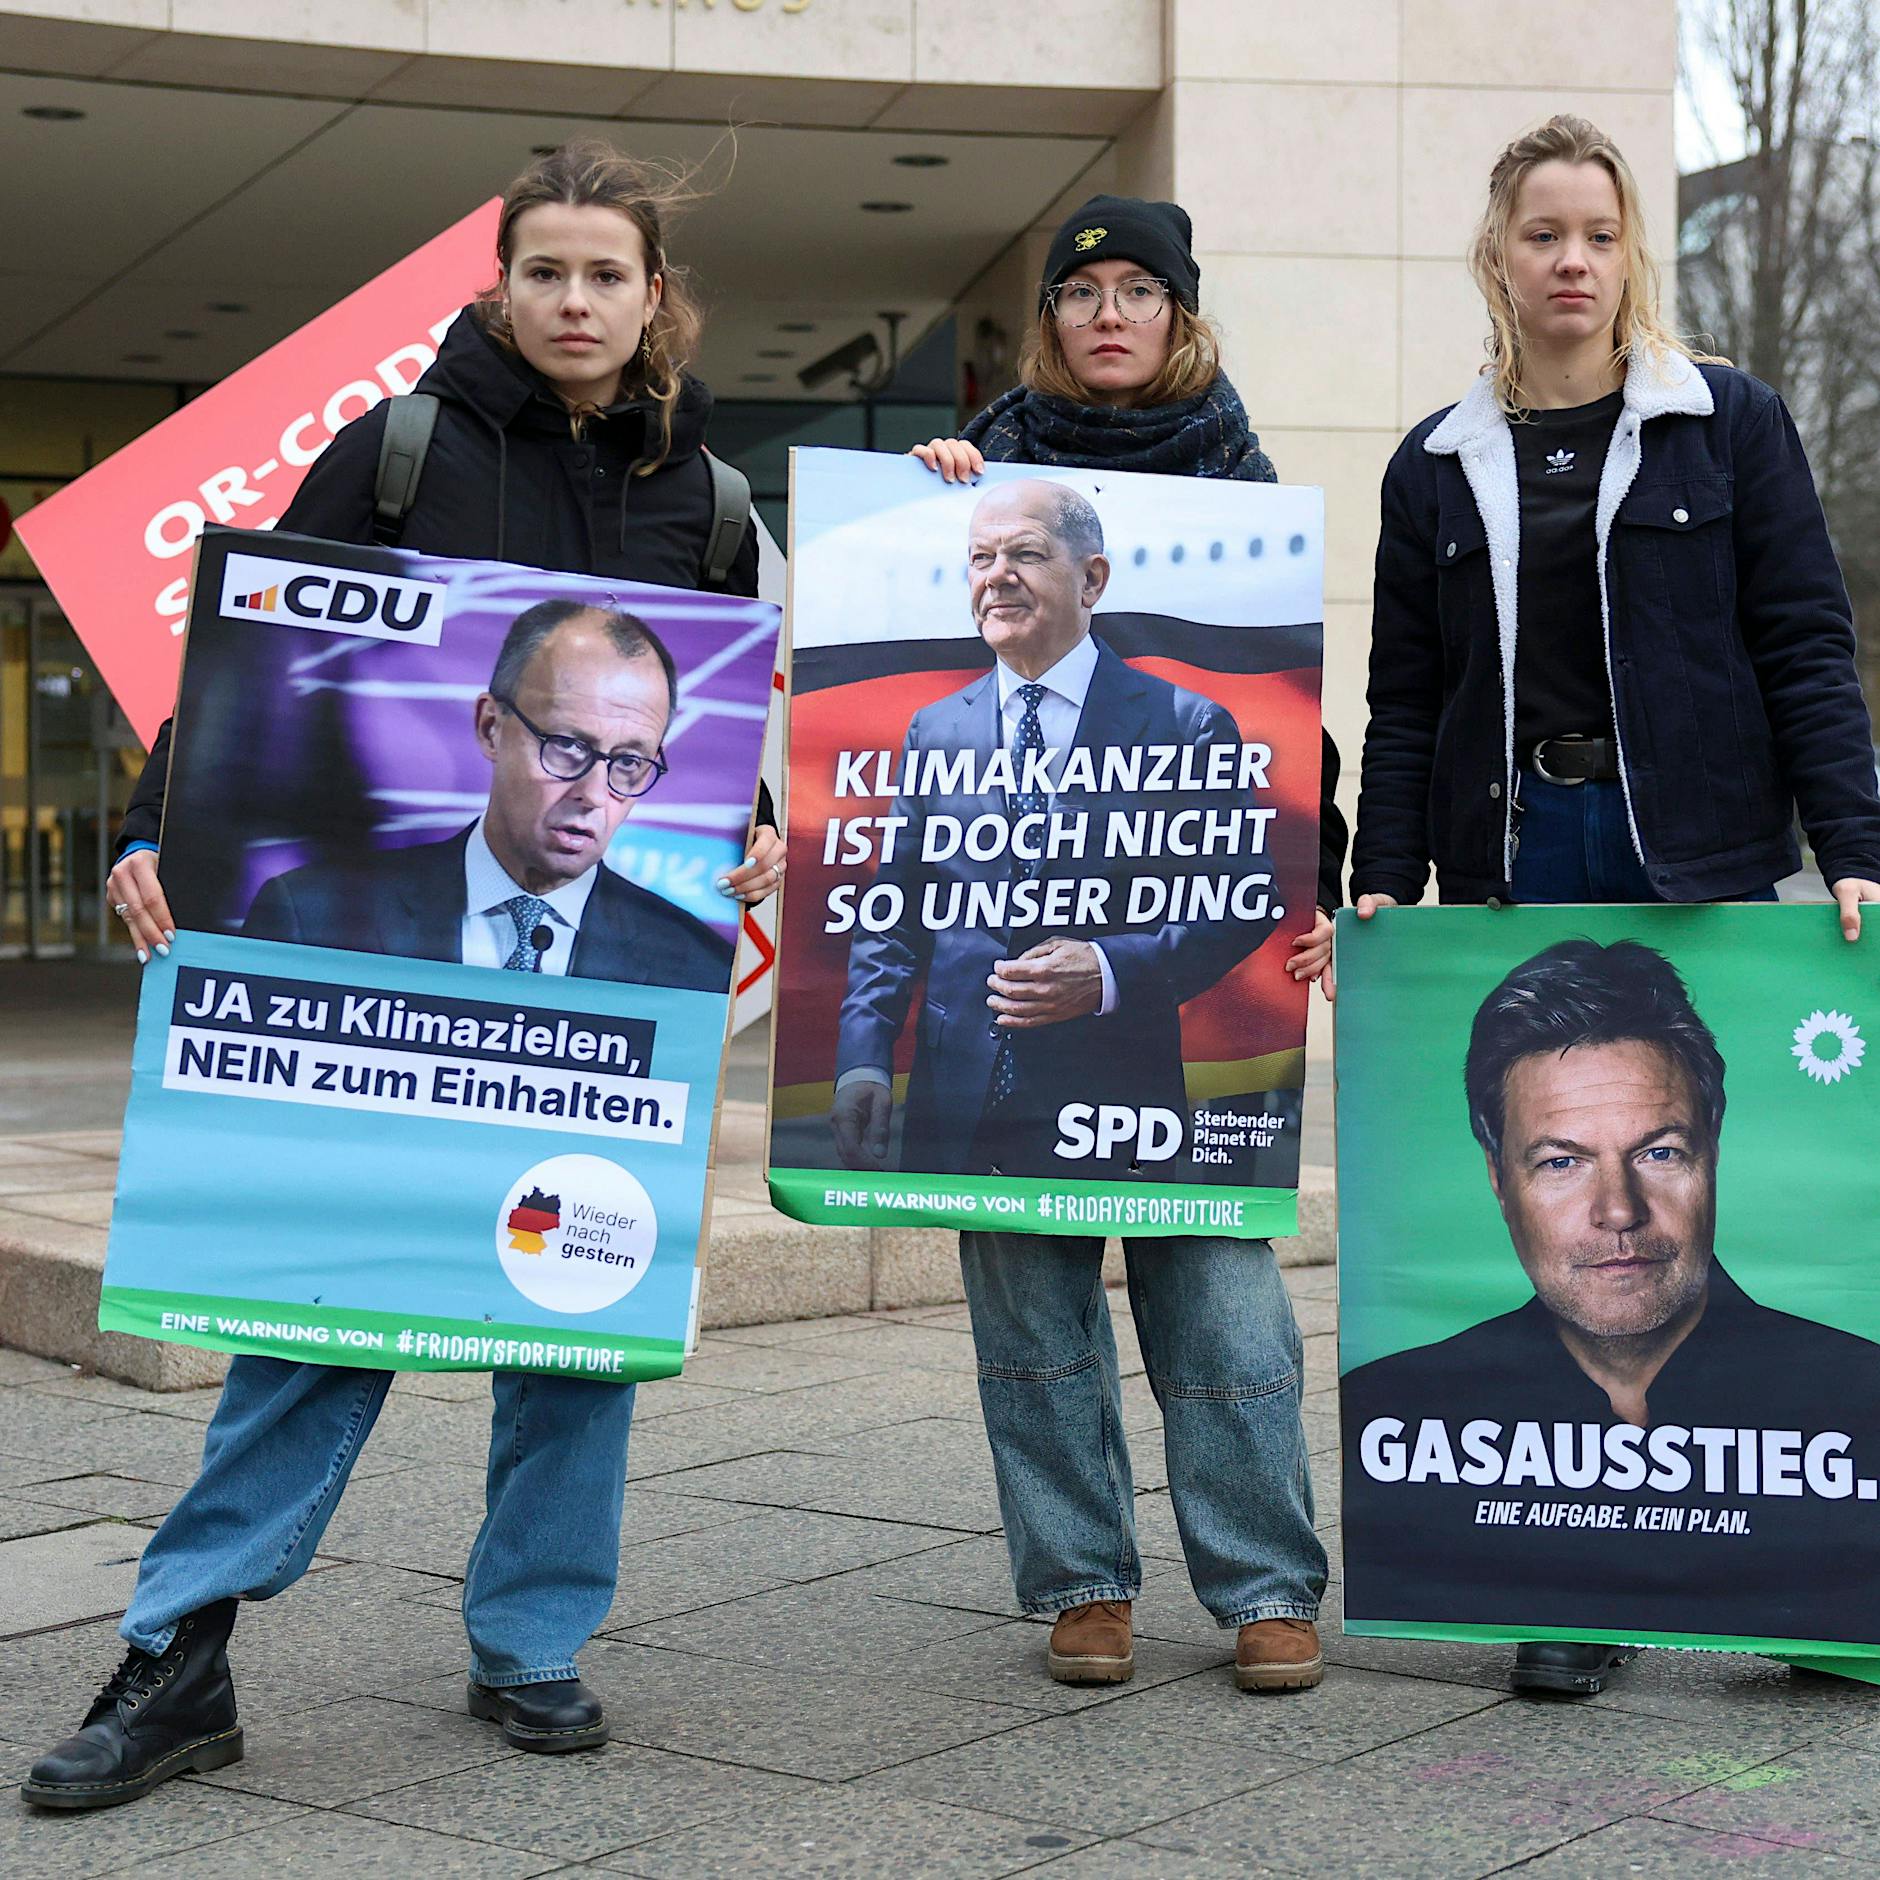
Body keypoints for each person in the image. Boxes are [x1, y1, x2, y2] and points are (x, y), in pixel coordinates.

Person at [24, 140, 780, 1813]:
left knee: (581, 1316)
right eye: (545, 271)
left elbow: (745, 735)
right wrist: (160, 827)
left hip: (604, 997)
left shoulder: (710, 503)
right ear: (499, 285)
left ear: (653, 298)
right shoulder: (403, 445)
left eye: (606, 274)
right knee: (312, 1310)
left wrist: (766, 837)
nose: (575, 301)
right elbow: (246, 653)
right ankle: (178, 1657)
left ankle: (530, 1641)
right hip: (394, 967)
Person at [1349, 114, 1880, 1693]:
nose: (1570, 261)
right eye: (1540, 235)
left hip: (1698, 856)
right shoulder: (1438, 463)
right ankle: (1572, 1595)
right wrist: (1381, 871)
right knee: (1572, 1256)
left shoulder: (1731, 426)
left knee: (1710, 1221)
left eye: (1596, 233)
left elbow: (1803, 640)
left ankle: (1797, 1583)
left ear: (1629, 250)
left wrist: (1853, 838)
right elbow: (1404, 696)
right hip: (1516, 854)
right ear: (1496, 256)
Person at [907, 194, 1337, 1695]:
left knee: (1217, 1300)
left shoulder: (1242, 504)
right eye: (1079, 290)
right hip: (977, 1072)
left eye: (1137, 291)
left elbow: (1264, 815)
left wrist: (1306, 893)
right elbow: (889, 912)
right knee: (1023, 1310)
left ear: (1178, 317)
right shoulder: (965, 493)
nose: (1106, 313)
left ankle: (1267, 1583)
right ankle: (1080, 1578)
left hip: (1135, 1050)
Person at [1342, 939, 1880, 1652]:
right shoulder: (1397, 1412)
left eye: (1659, 1152)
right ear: (1500, 1181)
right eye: (1562, 1162)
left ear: (1713, 1152)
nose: (1619, 1211)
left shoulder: (1860, 1393)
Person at [831, 478, 1270, 1178]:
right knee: (1013, 1293)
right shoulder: (936, 729)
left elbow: (1244, 900)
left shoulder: (1186, 724)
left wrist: (1106, 971)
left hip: (1115, 1092)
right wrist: (864, 1062)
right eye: (980, 559)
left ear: (1091, 578)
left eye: (1024, 555)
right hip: (961, 1098)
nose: (996, 577)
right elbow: (892, 916)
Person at [244, 599, 731, 990]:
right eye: (567, 746)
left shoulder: (696, 970)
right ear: (491, 727)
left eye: (627, 762)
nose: (593, 793)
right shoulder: (310, 917)